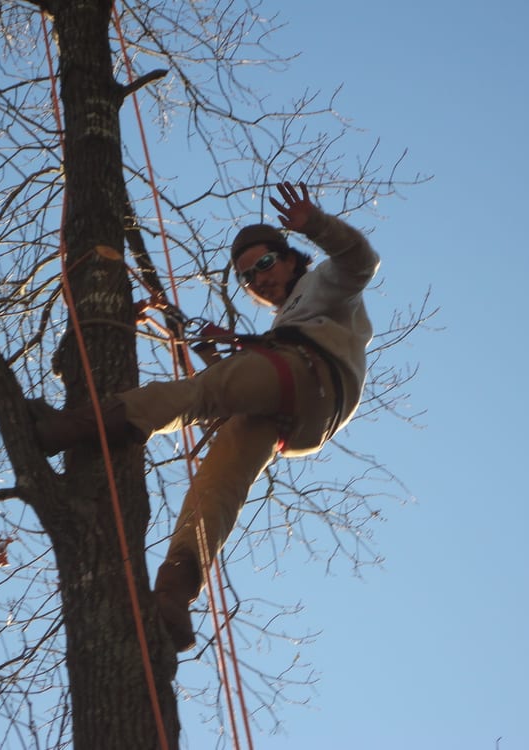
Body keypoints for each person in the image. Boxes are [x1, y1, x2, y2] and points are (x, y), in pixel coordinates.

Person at [32, 182, 380, 651]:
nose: (258, 279)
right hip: (301, 414)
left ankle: (74, 427)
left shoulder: (324, 284)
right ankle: (175, 592)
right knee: (215, 489)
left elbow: (362, 260)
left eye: (264, 264)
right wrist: (221, 348)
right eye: (246, 277)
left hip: (308, 376)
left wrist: (314, 224)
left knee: (200, 394)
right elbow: (245, 379)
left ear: (292, 257)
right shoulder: (287, 323)